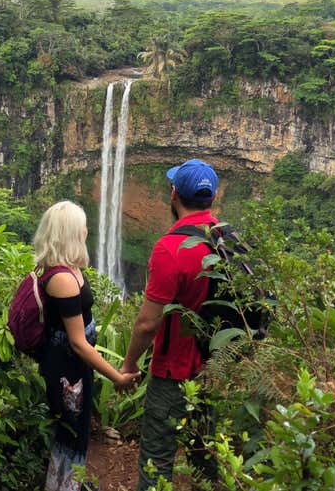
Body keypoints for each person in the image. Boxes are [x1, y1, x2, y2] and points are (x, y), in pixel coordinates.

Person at [120, 159, 221, 490]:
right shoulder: (226, 240)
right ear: (212, 198)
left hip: (173, 373)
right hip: (217, 371)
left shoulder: (170, 248)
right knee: (207, 457)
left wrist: (129, 363)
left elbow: (148, 324)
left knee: (156, 459)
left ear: (174, 193)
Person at [33, 200, 140, 491]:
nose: (87, 229)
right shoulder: (62, 279)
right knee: (70, 434)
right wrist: (117, 377)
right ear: (70, 233)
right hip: (67, 371)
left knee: (76, 431)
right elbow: (78, 343)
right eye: (81, 226)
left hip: (75, 369)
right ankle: (63, 485)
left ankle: (68, 484)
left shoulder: (67, 268)